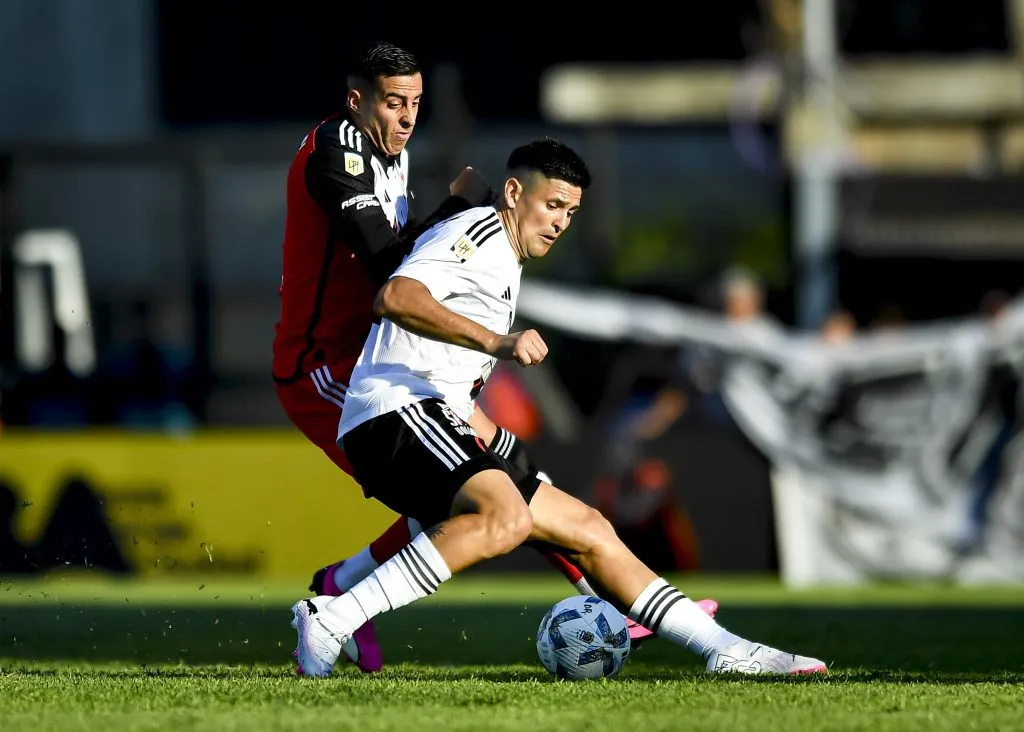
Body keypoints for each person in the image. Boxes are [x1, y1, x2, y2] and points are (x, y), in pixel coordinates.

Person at [290, 138, 827, 677]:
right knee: (505, 517)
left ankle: (724, 649)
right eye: (552, 206)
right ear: (515, 192)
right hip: (394, 413)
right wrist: (498, 342)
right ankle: (335, 615)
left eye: (571, 212)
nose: (560, 222)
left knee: (588, 527)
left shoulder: (504, 254)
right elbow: (396, 297)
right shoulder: (480, 235)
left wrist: (497, 440)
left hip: (432, 413)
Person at [271, 41, 713, 673]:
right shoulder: (337, 151)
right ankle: (344, 591)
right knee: (466, 494)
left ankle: (607, 601)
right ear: (356, 100)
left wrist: (453, 212)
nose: (407, 118)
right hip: (326, 366)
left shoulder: (382, 152)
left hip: (388, 353)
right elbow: (389, 269)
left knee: (504, 464)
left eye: (415, 104)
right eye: (394, 103)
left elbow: (400, 255)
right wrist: (458, 212)